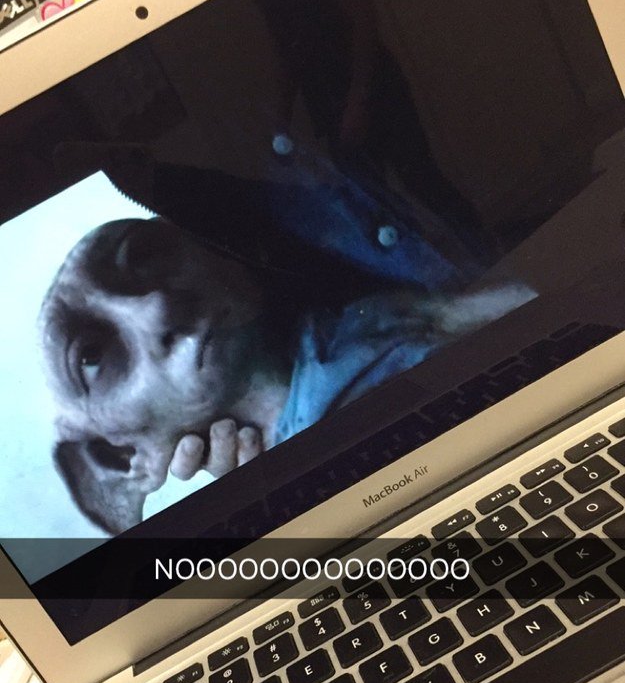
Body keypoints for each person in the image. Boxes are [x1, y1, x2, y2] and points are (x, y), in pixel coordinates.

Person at [39, 215, 532, 536]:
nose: (156, 307)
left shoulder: (350, 315)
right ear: (120, 459)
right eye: (91, 357)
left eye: (144, 254)